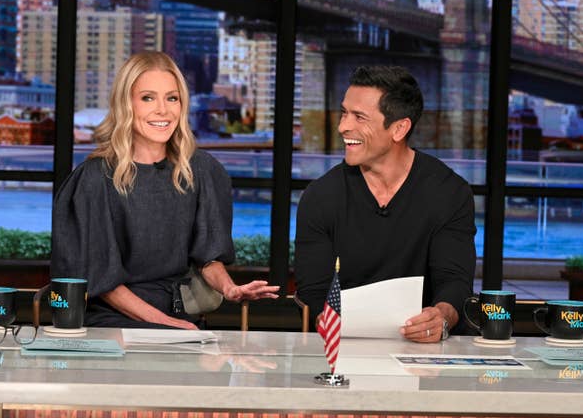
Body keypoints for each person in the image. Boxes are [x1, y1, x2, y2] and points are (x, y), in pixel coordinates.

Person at [51, 51, 279, 329]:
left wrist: (229, 289)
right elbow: (102, 280)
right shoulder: (95, 178)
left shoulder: (202, 170)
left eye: (172, 98)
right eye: (148, 98)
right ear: (125, 104)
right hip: (114, 321)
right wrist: (167, 324)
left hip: (181, 317)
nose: (163, 110)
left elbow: (208, 258)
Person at [295, 65, 476, 343]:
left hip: (425, 349)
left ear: (399, 128)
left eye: (359, 117)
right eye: (344, 113)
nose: (343, 126)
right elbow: (314, 290)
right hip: (344, 345)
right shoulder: (320, 196)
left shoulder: (449, 192)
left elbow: (454, 281)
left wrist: (441, 316)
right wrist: (334, 324)